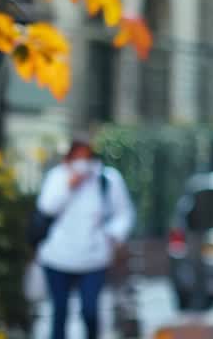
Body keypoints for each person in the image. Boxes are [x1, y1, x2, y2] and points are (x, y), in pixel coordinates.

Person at [37, 138, 135, 339]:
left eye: (86, 156)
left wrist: (113, 236)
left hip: (93, 257)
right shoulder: (58, 176)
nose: (82, 162)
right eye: (77, 157)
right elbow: (46, 208)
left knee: (90, 311)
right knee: (59, 312)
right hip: (58, 257)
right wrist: (68, 186)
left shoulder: (106, 180)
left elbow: (124, 213)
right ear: (69, 158)